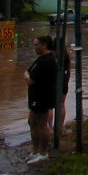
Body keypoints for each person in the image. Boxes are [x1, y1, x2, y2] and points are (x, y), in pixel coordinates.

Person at [24, 35, 57, 164]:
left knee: (42, 125)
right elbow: (28, 72)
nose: (34, 47)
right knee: (32, 122)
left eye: (36, 44)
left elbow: (30, 79)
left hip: (42, 97)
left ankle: (43, 153)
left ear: (44, 45)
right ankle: (35, 151)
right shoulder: (40, 59)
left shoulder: (47, 61)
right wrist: (27, 75)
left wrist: (27, 76)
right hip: (35, 97)